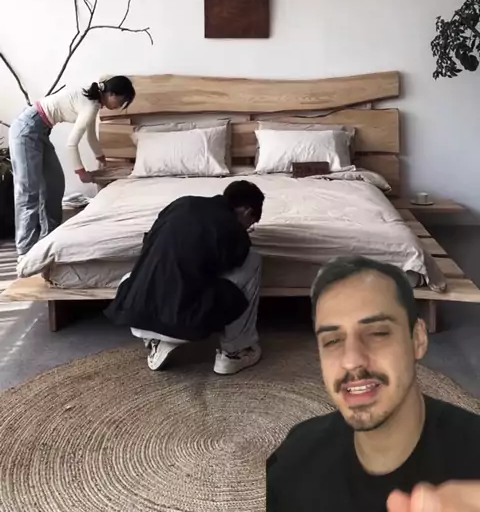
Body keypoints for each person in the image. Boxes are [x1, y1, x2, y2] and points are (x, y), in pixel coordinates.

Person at [267, 256, 480, 512]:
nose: (351, 360)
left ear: (418, 340)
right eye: (332, 341)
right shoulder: (293, 461)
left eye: (378, 333)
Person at [105, 180, 265, 376]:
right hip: (185, 323)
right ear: (247, 211)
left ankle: (157, 341)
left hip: (135, 315)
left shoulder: (180, 204)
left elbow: (149, 242)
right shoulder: (233, 228)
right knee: (252, 260)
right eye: (251, 224)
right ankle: (235, 353)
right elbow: (230, 266)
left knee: (136, 276)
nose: (248, 228)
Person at [9, 76, 135, 259]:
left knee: (54, 185)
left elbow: (90, 135)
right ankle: (25, 251)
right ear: (112, 94)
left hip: (40, 131)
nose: (120, 106)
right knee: (29, 191)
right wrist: (81, 172)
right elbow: (71, 144)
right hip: (27, 129)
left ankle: (48, 240)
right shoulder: (91, 105)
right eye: (122, 101)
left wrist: (101, 157)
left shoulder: (94, 102)